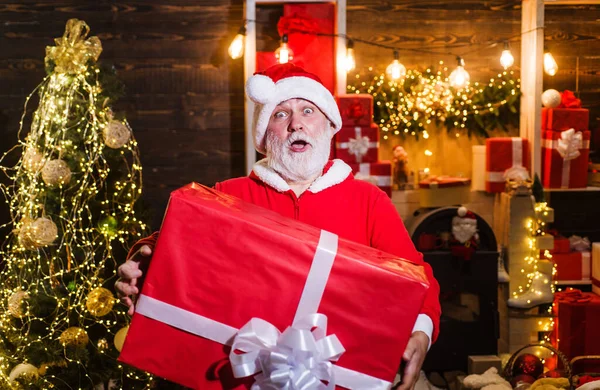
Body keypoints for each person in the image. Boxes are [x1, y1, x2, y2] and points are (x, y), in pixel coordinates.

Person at [116, 63, 441, 390]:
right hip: (236, 378)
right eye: (280, 115)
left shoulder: (369, 201)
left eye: (308, 110)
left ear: (329, 126)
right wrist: (141, 264)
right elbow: (170, 242)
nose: (296, 124)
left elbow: (416, 276)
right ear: (264, 136)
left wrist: (421, 331)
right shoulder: (229, 195)